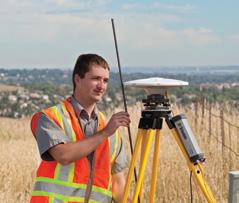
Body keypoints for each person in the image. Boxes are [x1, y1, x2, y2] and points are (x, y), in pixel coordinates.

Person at [30, 53, 131, 203]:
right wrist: (105, 132)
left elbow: (118, 187)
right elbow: (63, 156)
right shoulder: (50, 117)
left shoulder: (111, 130)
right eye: (96, 78)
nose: (101, 86)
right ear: (78, 79)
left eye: (105, 80)